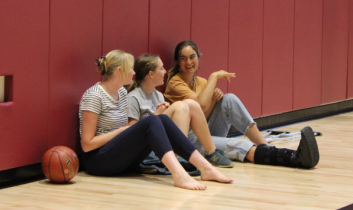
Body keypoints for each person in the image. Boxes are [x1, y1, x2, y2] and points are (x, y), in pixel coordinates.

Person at [78, 49, 233, 190]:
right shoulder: (94, 96)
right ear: (120, 71)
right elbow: (87, 145)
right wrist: (121, 131)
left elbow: (127, 133)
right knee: (151, 120)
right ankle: (178, 174)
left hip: (119, 157)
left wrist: (128, 129)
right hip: (98, 161)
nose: (133, 72)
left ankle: (206, 168)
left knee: (161, 120)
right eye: (130, 68)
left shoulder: (122, 93)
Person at [164, 41, 319, 169]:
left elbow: (202, 113)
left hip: (204, 132)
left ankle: (266, 147)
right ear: (178, 62)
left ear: (198, 58)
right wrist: (214, 77)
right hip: (189, 139)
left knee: (229, 98)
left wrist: (215, 97)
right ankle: (292, 158)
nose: (188, 62)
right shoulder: (175, 82)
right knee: (240, 144)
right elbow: (201, 105)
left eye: (192, 57)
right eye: (183, 58)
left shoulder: (200, 82)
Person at [126, 54, 234, 167]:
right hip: (146, 149)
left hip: (160, 141)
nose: (165, 71)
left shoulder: (158, 95)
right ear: (151, 74)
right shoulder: (133, 97)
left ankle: (211, 152)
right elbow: (133, 131)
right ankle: (179, 157)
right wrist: (156, 115)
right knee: (180, 106)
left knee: (192, 104)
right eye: (161, 68)